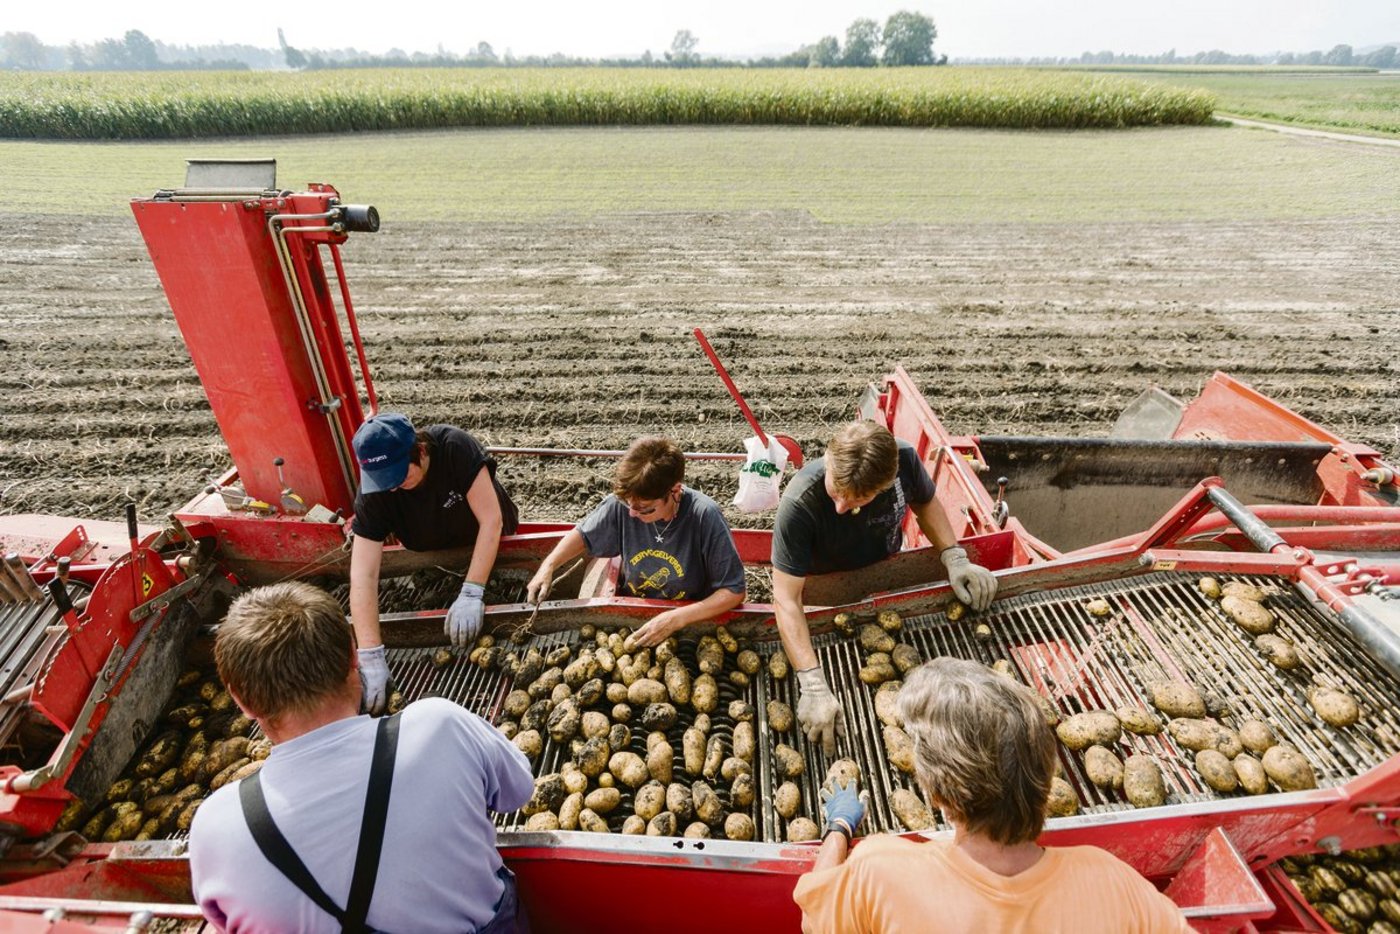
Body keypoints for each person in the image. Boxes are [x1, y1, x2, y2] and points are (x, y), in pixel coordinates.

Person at [189, 581, 534, 933]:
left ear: (241, 701)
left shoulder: (215, 828)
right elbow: (519, 792)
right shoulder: (441, 725)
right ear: (354, 657)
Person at [793, 657, 1191, 933]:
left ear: (938, 795)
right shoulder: (1111, 880)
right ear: (1045, 777)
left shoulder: (880, 870)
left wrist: (839, 826)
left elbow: (815, 921)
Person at [771, 420, 997, 755]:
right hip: (824, 592)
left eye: (859, 498)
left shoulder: (904, 461)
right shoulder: (799, 503)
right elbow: (786, 599)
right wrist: (812, 682)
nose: (840, 507)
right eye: (835, 491)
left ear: (887, 484)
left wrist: (954, 556)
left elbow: (926, 503)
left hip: (885, 570)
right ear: (828, 461)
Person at [349, 413, 520, 714]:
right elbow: (363, 573)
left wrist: (472, 590)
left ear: (421, 450)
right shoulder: (375, 493)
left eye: (399, 476)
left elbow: (491, 521)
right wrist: (370, 654)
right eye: (384, 481)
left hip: (487, 543)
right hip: (433, 556)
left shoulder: (454, 448)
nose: (392, 488)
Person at [526, 435, 745, 647]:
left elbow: (734, 591)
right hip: (635, 614)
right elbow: (583, 535)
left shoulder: (704, 516)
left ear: (675, 491)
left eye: (644, 508)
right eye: (628, 504)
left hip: (691, 621)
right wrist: (549, 566)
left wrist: (676, 618)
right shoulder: (622, 505)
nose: (631, 513)